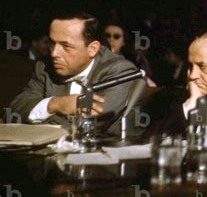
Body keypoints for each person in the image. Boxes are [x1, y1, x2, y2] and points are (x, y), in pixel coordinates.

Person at [8, 11, 139, 135]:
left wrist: (41, 114)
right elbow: (16, 111)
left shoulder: (120, 70)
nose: (54, 53)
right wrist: (56, 104)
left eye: (66, 46)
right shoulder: (44, 66)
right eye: (52, 43)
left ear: (92, 49)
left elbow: (91, 126)